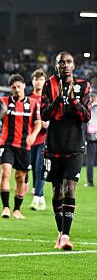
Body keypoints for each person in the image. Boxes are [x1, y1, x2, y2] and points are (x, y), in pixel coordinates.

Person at [41, 52, 92, 250]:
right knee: (57, 192)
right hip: (53, 146)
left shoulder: (84, 85)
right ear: (56, 65)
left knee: (69, 187)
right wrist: (57, 100)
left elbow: (86, 116)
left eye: (68, 62)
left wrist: (73, 101)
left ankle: (65, 236)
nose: (65, 65)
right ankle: (60, 231)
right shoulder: (49, 85)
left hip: (75, 146)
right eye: (61, 62)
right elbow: (44, 114)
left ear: (74, 65)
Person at [0, 74, 42, 219]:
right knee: (5, 172)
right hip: (7, 144)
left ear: (24, 86)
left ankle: (17, 210)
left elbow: (38, 123)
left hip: (24, 146)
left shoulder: (33, 103)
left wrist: (34, 135)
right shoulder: (4, 102)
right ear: (10, 89)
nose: (17, 90)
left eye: (19, 86)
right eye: (14, 88)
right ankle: (5, 207)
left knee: (20, 177)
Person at [28, 69, 49, 211]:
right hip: (31, 138)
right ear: (32, 81)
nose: (38, 82)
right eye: (36, 79)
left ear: (44, 82)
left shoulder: (48, 99)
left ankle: (36, 198)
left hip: (44, 138)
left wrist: (48, 123)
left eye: (41, 79)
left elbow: (55, 115)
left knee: (39, 167)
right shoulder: (28, 99)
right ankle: (41, 198)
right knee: (33, 168)